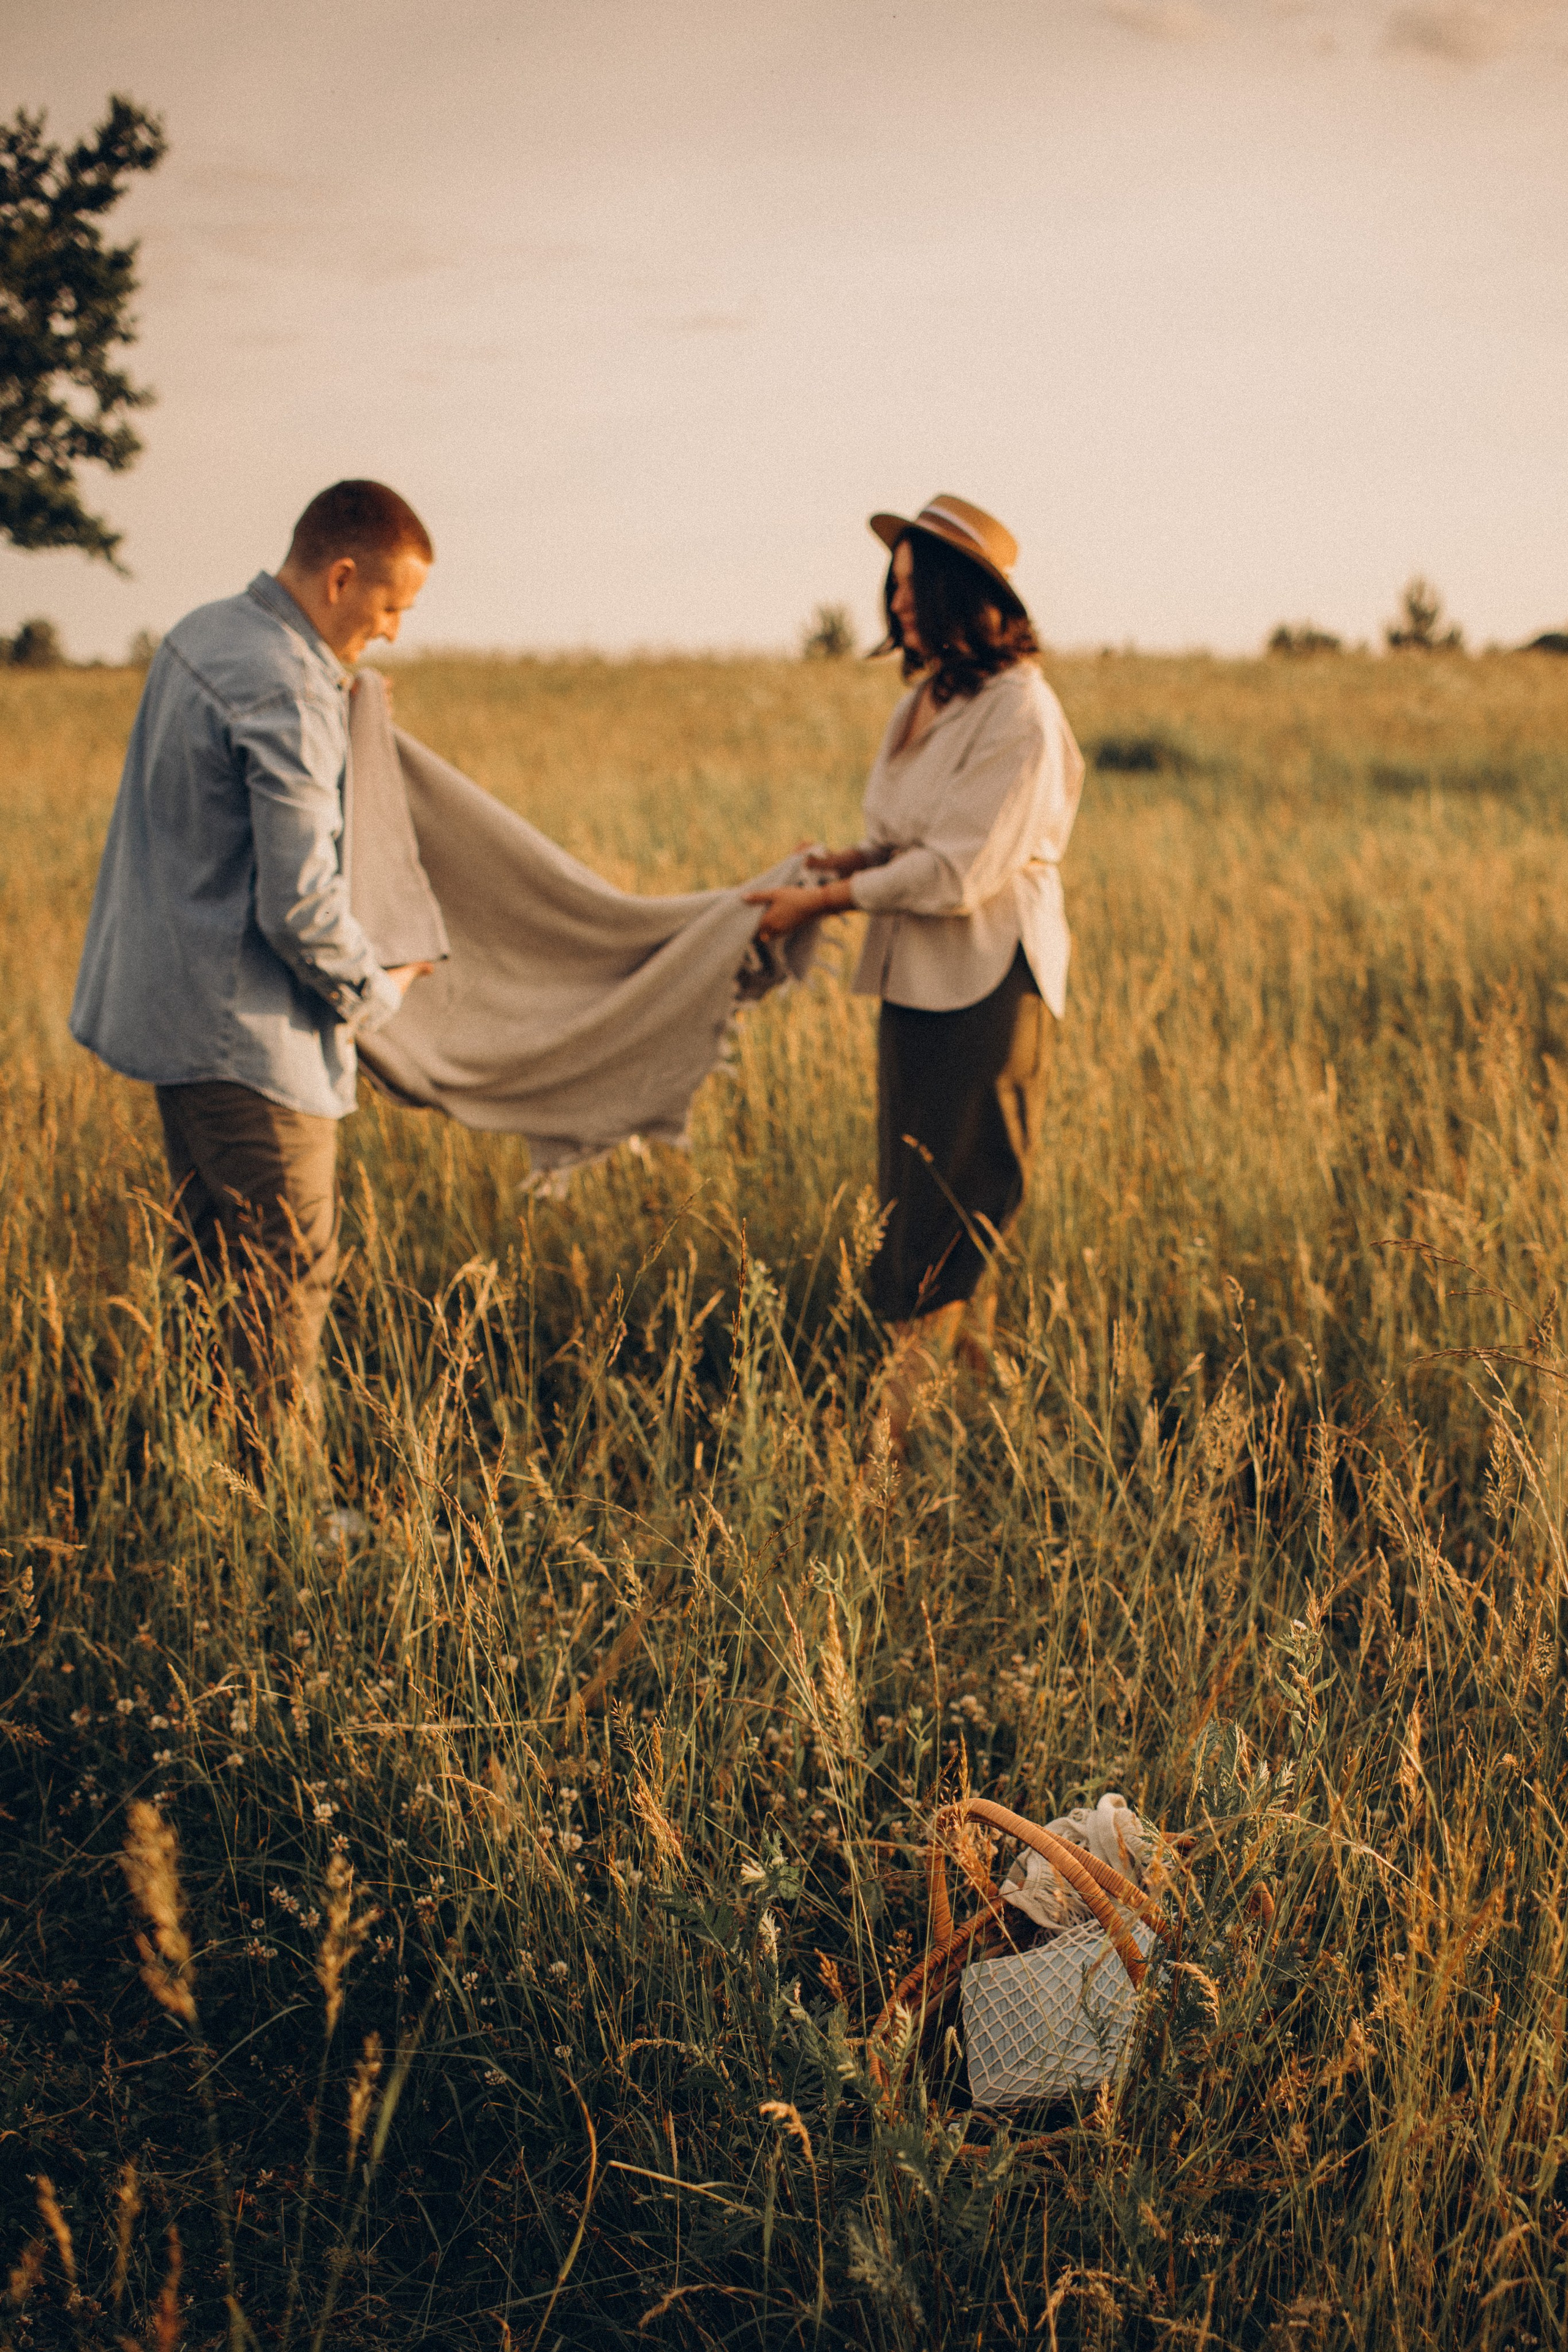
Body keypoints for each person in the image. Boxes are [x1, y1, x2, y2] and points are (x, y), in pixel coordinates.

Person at [70, 479, 437, 1428]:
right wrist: (379, 988)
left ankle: (212, 1500)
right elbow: (302, 907)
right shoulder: (286, 682)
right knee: (284, 1289)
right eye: (393, 605)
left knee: (209, 1282)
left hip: (177, 1026)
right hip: (254, 1047)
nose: (395, 629)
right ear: (342, 578)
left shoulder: (198, 635)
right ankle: (287, 1535)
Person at [747, 494, 1084, 1441]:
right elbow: (901, 842)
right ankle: (969, 1410)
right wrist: (840, 864)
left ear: (959, 597)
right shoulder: (923, 699)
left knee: (957, 1196)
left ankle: (886, 1452)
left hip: (987, 979)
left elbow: (958, 869)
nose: (895, 605)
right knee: (921, 1186)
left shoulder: (1021, 711)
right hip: (916, 978)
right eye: (891, 586)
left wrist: (819, 903)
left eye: (911, 587)